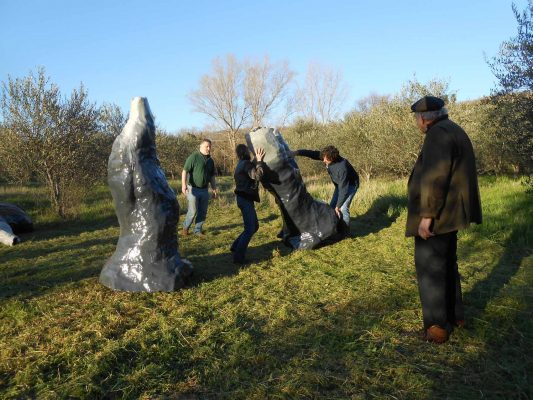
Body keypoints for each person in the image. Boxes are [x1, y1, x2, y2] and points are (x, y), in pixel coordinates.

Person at [407, 95, 482, 344]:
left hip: (439, 215)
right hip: (452, 215)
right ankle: (455, 316)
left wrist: (426, 216)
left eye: (416, 119)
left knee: (431, 269)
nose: (417, 124)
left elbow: (434, 178)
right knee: (448, 264)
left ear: (423, 119)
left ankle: (437, 327)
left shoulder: (437, 135)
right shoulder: (454, 129)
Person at [293, 146, 359, 230]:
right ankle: (335, 228)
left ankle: (345, 231)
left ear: (332, 158)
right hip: (339, 185)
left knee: (343, 208)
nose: (323, 161)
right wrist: (297, 152)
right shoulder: (327, 156)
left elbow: (343, 189)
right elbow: (312, 153)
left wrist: (338, 206)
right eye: (323, 158)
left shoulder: (342, 168)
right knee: (332, 208)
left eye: (326, 159)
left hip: (350, 185)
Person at [230, 144, 265, 264]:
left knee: (254, 226)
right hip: (245, 200)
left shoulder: (241, 164)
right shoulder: (246, 164)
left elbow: (250, 170)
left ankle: (235, 246)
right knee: (250, 228)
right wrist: (259, 161)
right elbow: (257, 175)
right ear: (246, 152)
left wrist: (256, 159)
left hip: (242, 199)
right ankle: (238, 258)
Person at [181, 139, 218, 236]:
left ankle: (197, 230)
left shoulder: (211, 161)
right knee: (193, 211)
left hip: (205, 190)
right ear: (201, 146)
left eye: (210, 146)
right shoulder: (193, 157)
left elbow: (212, 176)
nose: (209, 148)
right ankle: (185, 228)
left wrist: (214, 189)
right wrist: (183, 185)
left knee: (202, 211)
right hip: (193, 189)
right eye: (206, 146)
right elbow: (185, 171)